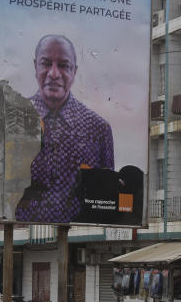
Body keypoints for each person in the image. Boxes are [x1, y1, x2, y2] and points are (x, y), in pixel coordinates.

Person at [15, 34, 115, 223]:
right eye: (46, 64)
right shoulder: (11, 122)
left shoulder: (98, 129)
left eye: (63, 65)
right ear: (35, 66)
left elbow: (106, 198)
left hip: (80, 241)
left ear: (74, 71)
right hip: (18, 236)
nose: (54, 74)